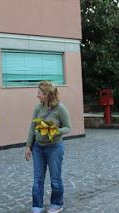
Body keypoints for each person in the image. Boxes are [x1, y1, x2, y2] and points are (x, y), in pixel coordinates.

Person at [25, 81, 71, 213]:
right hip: (38, 148)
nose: (37, 95)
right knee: (37, 179)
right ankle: (37, 205)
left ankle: (57, 203)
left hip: (54, 148)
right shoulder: (38, 108)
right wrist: (28, 146)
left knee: (55, 178)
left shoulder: (60, 108)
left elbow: (68, 127)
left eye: (39, 93)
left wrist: (57, 131)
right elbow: (32, 128)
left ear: (46, 94)